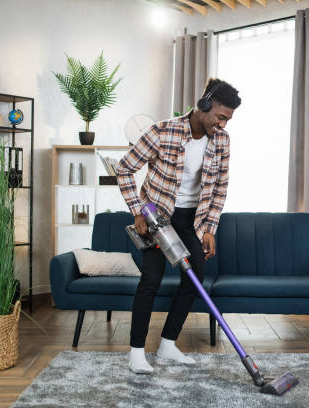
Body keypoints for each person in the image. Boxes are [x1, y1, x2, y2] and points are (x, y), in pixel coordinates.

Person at [116, 78, 241, 374]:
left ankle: (168, 344)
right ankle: (136, 352)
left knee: (195, 276)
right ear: (205, 105)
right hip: (156, 217)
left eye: (228, 119)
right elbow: (124, 168)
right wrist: (137, 211)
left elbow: (220, 188)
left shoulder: (222, 141)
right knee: (151, 279)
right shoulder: (162, 131)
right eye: (221, 117)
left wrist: (210, 228)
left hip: (191, 220)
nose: (223, 124)